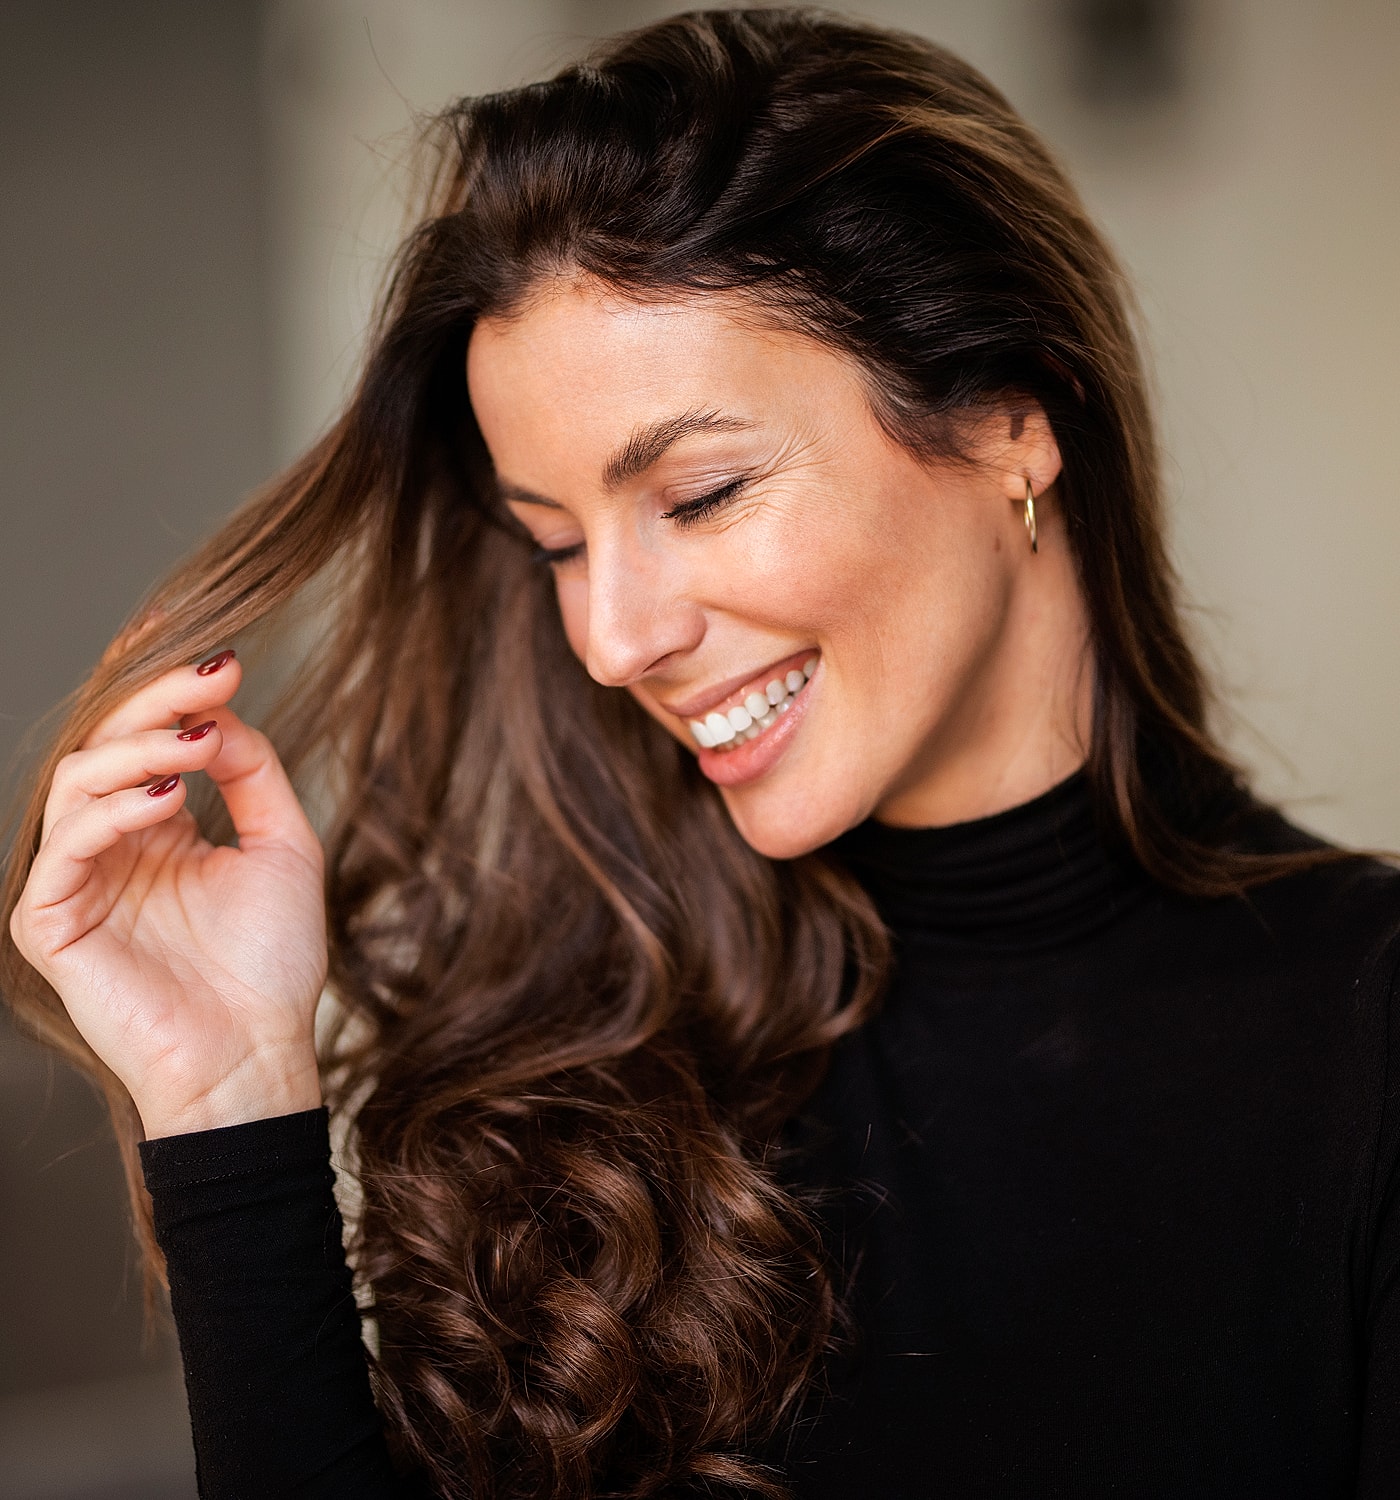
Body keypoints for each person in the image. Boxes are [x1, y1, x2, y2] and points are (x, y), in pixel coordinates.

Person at [4, 9, 1398, 1498]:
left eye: (702, 493)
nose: (613, 642)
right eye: (556, 543)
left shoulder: (1362, 1043)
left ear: (1011, 418)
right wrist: (230, 1105)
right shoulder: (579, 1062)